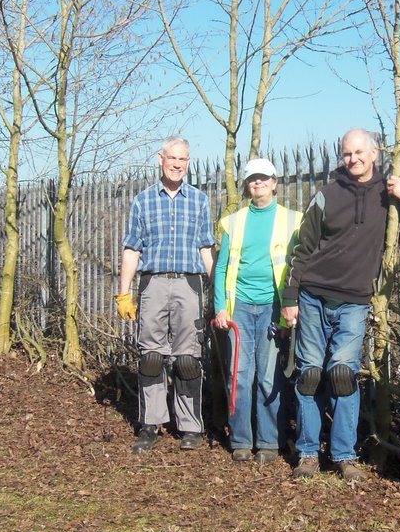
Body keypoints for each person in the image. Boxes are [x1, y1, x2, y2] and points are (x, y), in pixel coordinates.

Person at [281, 128, 400, 483]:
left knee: (344, 376)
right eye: (347, 153)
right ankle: (307, 453)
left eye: (360, 152)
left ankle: (345, 456)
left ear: (374, 152)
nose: (353, 159)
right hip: (313, 295)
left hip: (354, 302)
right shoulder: (327, 195)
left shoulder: (388, 196)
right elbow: (302, 249)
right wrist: (290, 297)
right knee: (310, 375)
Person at [116, 136, 216, 453]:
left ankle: (190, 427)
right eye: (172, 158)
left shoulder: (199, 200)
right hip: (153, 283)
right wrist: (124, 292)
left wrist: (218, 293)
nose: (177, 164)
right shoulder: (142, 201)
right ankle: (150, 424)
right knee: (151, 357)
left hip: (189, 284)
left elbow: (206, 249)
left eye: (183, 159)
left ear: (189, 162)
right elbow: (132, 248)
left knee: (188, 359)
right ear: (161, 159)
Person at [212, 158, 302, 464]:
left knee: (268, 376)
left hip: (273, 308)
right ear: (246, 184)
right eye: (252, 179)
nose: (258, 183)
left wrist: (293, 305)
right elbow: (222, 267)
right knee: (238, 375)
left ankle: (268, 442)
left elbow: (300, 266)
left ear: (275, 182)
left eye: (263, 178)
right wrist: (220, 307)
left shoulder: (294, 220)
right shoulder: (233, 222)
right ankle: (240, 440)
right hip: (239, 308)